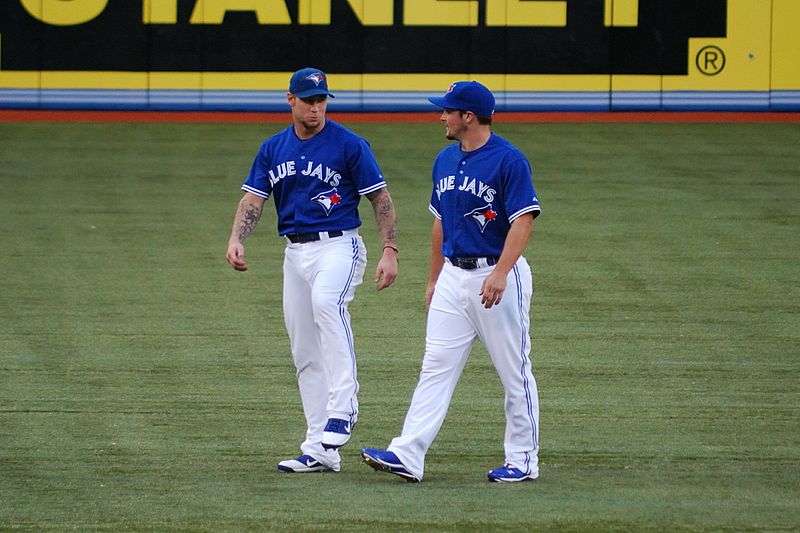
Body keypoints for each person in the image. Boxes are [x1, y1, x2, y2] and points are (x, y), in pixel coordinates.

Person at [361, 81, 541, 483]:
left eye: (447, 110)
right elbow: (440, 223)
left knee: (513, 371)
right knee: (435, 367)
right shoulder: (444, 159)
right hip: (452, 278)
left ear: (468, 117)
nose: (441, 116)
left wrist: (501, 273)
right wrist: (433, 279)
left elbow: (523, 220)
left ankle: (524, 459)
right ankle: (408, 453)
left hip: (497, 274)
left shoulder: (508, 160)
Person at [226, 67, 399, 474]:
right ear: (291, 100)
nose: (317, 107)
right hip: (295, 254)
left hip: (340, 245)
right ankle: (319, 449)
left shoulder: (349, 144)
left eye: (322, 100)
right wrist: (237, 238)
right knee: (304, 349)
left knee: (327, 304)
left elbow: (380, 198)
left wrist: (389, 249)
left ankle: (345, 404)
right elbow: (254, 198)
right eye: (309, 100)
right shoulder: (273, 148)